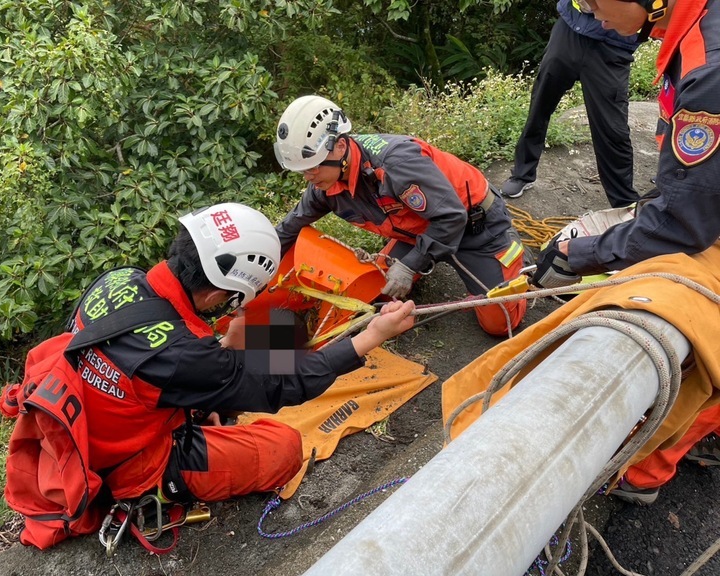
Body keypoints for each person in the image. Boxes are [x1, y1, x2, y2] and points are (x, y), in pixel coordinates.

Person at [61, 202, 415, 505]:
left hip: (86, 420)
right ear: (217, 296)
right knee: (283, 447)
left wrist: (222, 352)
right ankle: (153, 490)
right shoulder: (184, 356)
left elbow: (140, 357)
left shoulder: (118, 279)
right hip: (127, 462)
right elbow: (283, 384)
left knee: (266, 352)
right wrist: (371, 336)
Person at [531, 0, 720, 504]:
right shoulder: (690, 30)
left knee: (702, 351)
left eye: (595, 1)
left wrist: (583, 254)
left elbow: (684, 223)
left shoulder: (708, 68)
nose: (591, 15)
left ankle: (642, 474)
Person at [273, 95, 528, 336]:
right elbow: (289, 228)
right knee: (374, 293)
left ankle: (513, 254)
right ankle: (428, 255)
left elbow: (451, 217)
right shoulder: (325, 186)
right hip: (418, 232)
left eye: (313, 167)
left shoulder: (396, 164)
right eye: (302, 171)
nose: (308, 177)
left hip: (476, 229)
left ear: (340, 146)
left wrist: (409, 266)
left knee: (499, 323)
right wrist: (258, 264)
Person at [501, 0, 641, 209]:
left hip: (613, 46)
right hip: (569, 30)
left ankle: (624, 202)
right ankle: (523, 174)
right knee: (540, 104)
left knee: (612, 128)